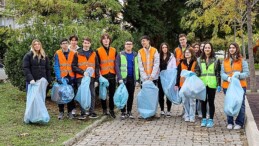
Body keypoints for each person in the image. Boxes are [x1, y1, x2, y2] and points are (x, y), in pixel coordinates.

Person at [221, 42, 249, 130]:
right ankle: (230, 122)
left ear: (237, 49)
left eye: (233, 47)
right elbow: (222, 73)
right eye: (230, 48)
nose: (231, 49)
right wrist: (228, 78)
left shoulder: (242, 60)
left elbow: (246, 73)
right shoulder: (225, 61)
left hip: (240, 86)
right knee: (229, 103)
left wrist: (238, 76)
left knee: (240, 104)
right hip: (227, 86)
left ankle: (239, 122)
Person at [72, 37, 100, 119]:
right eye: (85, 43)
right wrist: (82, 72)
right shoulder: (77, 53)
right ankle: (83, 113)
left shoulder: (94, 54)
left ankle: (91, 112)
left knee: (92, 94)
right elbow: (73, 66)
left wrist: (97, 80)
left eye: (88, 43)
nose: (86, 44)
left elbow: (97, 67)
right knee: (82, 95)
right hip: (81, 77)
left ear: (90, 44)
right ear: (82, 44)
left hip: (92, 78)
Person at [195, 42, 221, 128]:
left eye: (209, 47)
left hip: (212, 84)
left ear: (211, 49)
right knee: (203, 101)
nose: (207, 49)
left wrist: (218, 84)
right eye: (205, 47)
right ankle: (203, 119)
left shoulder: (216, 59)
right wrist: (195, 76)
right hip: (202, 84)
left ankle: (211, 120)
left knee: (211, 102)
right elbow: (197, 71)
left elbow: (218, 72)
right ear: (203, 49)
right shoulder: (199, 59)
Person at [115, 40, 140, 119]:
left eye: (130, 44)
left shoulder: (135, 55)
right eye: (127, 44)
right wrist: (119, 77)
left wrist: (137, 80)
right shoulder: (120, 54)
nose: (128, 45)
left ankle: (129, 111)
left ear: (132, 46)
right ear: (124, 45)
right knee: (122, 95)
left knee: (131, 95)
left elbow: (138, 67)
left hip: (132, 78)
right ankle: (123, 112)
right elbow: (116, 66)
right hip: (123, 79)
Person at [54, 38, 76, 120]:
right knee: (60, 95)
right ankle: (61, 112)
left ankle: (70, 112)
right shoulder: (58, 53)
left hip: (70, 77)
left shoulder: (73, 53)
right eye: (63, 43)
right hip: (61, 77)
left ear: (68, 44)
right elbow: (56, 66)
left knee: (70, 94)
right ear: (61, 45)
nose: (65, 45)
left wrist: (73, 76)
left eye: (66, 43)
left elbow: (75, 65)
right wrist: (59, 77)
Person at [96, 33, 117, 118]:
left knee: (112, 94)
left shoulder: (114, 50)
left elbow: (116, 63)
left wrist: (117, 75)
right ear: (101, 41)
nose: (106, 40)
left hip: (112, 74)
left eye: (107, 39)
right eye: (104, 39)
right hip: (103, 76)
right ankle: (104, 110)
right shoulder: (98, 51)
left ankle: (111, 110)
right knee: (103, 93)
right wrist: (99, 75)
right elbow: (96, 64)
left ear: (109, 40)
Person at [175, 48, 197, 122]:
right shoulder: (181, 63)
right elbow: (178, 74)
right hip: (183, 84)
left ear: (192, 53)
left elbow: (197, 73)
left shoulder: (195, 62)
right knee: (185, 101)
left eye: (188, 52)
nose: (187, 53)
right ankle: (186, 115)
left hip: (192, 84)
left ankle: (192, 116)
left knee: (192, 101)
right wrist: (177, 83)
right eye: (186, 52)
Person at [158, 42, 176, 117]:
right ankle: (162, 110)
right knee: (160, 95)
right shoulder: (158, 56)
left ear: (168, 48)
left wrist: (172, 79)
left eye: (166, 47)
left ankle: (169, 110)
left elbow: (174, 67)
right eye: (163, 47)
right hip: (160, 78)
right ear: (161, 49)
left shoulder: (171, 56)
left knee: (168, 94)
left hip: (168, 78)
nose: (164, 49)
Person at [192, 42, 202, 118]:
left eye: (197, 47)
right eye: (194, 47)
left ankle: (199, 110)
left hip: (200, 78)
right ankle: (194, 110)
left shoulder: (201, 57)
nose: (196, 49)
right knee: (193, 94)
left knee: (199, 95)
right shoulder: (192, 56)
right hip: (193, 77)